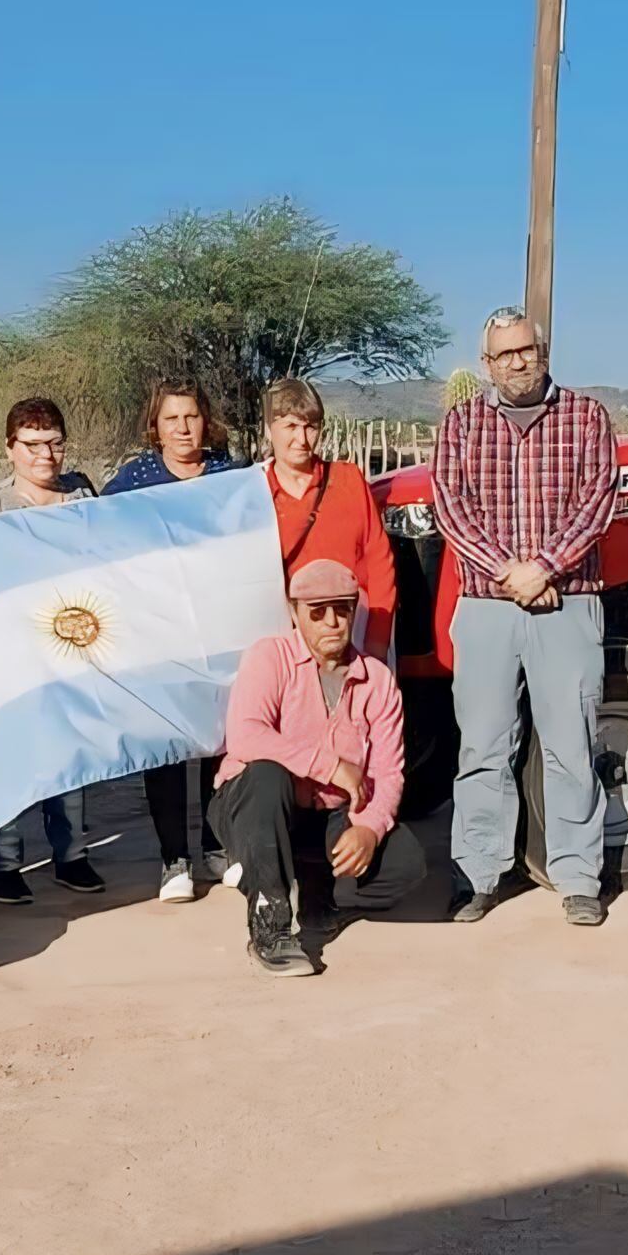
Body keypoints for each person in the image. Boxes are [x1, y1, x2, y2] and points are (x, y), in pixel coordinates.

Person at [431, 306, 620, 927]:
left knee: (572, 743)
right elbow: (450, 508)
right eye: (504, 353)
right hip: (487, 604)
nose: (517, 361)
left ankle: (577, 877)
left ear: (544, 350)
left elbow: (597, 504)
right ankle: (480, 873)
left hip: (567, 600)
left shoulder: (587, 418)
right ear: (487, 363)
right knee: (483, 745)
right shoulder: (461, 423)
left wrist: (544, 566)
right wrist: (511, 573)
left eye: (526, 349)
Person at [208, 559, 424, 977]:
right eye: (317, 611)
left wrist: (369, 828)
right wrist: (330, 765)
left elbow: (389, 770)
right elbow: (246, 736)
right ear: (294, 613)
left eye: (342, 609)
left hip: (327, 813)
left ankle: (315, 890)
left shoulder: (376, 680)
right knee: (267, 773)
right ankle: (269, 922)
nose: (332, 622)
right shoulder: (269, 656)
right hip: (255, 805)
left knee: (406, 862)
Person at [102, 377, 240, 902]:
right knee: (165, 746)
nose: (183, 428)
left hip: (221, 629)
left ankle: (215, 845)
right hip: (157, 633)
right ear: (154, 428)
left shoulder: (231, 476)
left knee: (216, 741)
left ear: (206, 421)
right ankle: (172, 859)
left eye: (192, 416)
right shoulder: (133, 480)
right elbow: (96, 533)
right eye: (171, 419)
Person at [0, 397, 107, 902]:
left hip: (73, 648)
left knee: (70, 755)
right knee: (9, 754)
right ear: (10, 449)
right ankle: (2, 861)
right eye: (32, 444)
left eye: (54, 443)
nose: (44, 454)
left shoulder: (83, 496)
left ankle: (73, 854)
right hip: (9, 654)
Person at [259, 378, 397, 662]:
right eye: (291, 427)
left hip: (354, 629)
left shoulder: (347, 480)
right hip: (289, 643)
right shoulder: (256, 493)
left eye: (311, 426)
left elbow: (380, 561)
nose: (302, 439)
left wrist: (376, 642)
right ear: (268, 430)